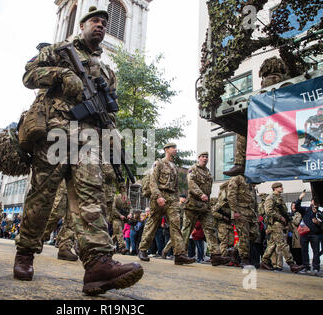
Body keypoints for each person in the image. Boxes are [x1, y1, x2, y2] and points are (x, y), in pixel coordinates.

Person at [12, 6, 143, 295]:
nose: (101, 26)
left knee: (90, 196)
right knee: (42, 197)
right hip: (55, 132)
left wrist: (113, 141)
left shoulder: (107, 72)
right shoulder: (59, 50)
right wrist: (59, 75)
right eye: (95, 21)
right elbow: (28, 76)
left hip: (88, 140)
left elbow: (108, 113)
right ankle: (25, 253)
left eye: (104, 23)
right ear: (82, 25)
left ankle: (98, 265)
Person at [138, 143, 194, 265]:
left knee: (176, 224)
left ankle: (179, 254)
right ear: (166, 150)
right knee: (153, 223)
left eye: (176, 148)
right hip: (159, 196)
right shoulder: (158, 163)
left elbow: (176, 186)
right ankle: (142, 249)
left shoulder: (174, 166)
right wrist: (158, 196)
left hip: (172, 198)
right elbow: (153, 180)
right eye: (173, 148)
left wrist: (177, 199)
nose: (176, 150)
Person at [181, 152, 231, 266]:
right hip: (193, 204)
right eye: (203, 157)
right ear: (198, 158)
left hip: (205, 206)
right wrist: (200, 194)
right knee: (186, 229)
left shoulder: (208, 172)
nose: (205, 158)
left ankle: (216, 255)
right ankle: (180, 254)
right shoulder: (193, 169)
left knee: (210, 229)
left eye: (207, 157)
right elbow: (191, 183)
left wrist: (206, 198)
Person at [260, 183, 304, 273]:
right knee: (282, 244)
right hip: (275, 224)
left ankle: (264, 262)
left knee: (272, 245)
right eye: (280, 187)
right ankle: (291, 264)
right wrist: (280, 217)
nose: (282, 188)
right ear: (275, 188)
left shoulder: (279, 198)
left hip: (279, 224)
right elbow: (268, 211)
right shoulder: (271, 197)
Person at [227, 174, 260, 267]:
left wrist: (256, 214)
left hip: (251, 213)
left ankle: (233, 250)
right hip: (240, 212)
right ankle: (244, 259)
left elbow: (254, 200)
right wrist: (235, 210)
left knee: (254, 235)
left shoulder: (250, 181)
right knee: (244, 236)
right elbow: (231, 195)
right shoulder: (236, 178)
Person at [42, 181, 78, 262]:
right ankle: (37, 237)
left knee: (72, 218)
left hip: (78, 182)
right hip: (64, 180)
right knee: (56, 212)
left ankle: (65, 247)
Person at [295, 191, 323, 275]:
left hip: (315, 234)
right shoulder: (306, 209)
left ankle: (316, 267)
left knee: (316, 251)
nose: (315, 204)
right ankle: (306, 267)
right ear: (311, 202)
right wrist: (300, 198)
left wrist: (318, 223)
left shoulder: (319, 213)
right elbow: (297, 207)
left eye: (316, 203)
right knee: (304, 251)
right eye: (314, 202)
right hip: (304, 234)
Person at [288, 202, 303, 266]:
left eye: (294, 206)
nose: (293, 207)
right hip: (289, 234)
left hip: (296, 235)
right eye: (292, 206)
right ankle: (294, 264)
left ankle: (299, 264)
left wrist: (291, 218)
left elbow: (297, 222)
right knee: (290, 250)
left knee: (297, 250)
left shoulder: (298, 214)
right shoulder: (290, 214)